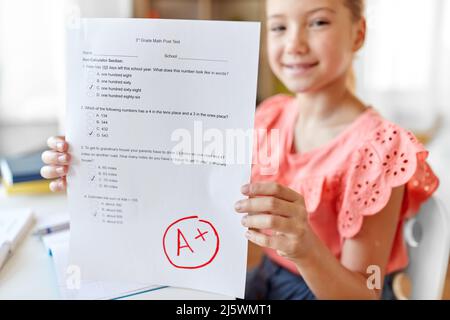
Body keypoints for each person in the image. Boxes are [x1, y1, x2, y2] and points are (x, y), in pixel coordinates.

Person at [41, 0, 439, 300]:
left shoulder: (380, 148)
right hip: (267, 278)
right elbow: (192, 185)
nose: (295, 43)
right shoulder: (271, 116)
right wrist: (93, 166)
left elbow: (363, 294)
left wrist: (305, 248)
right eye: (279, 27)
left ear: (358, 33)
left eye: (318, 22)